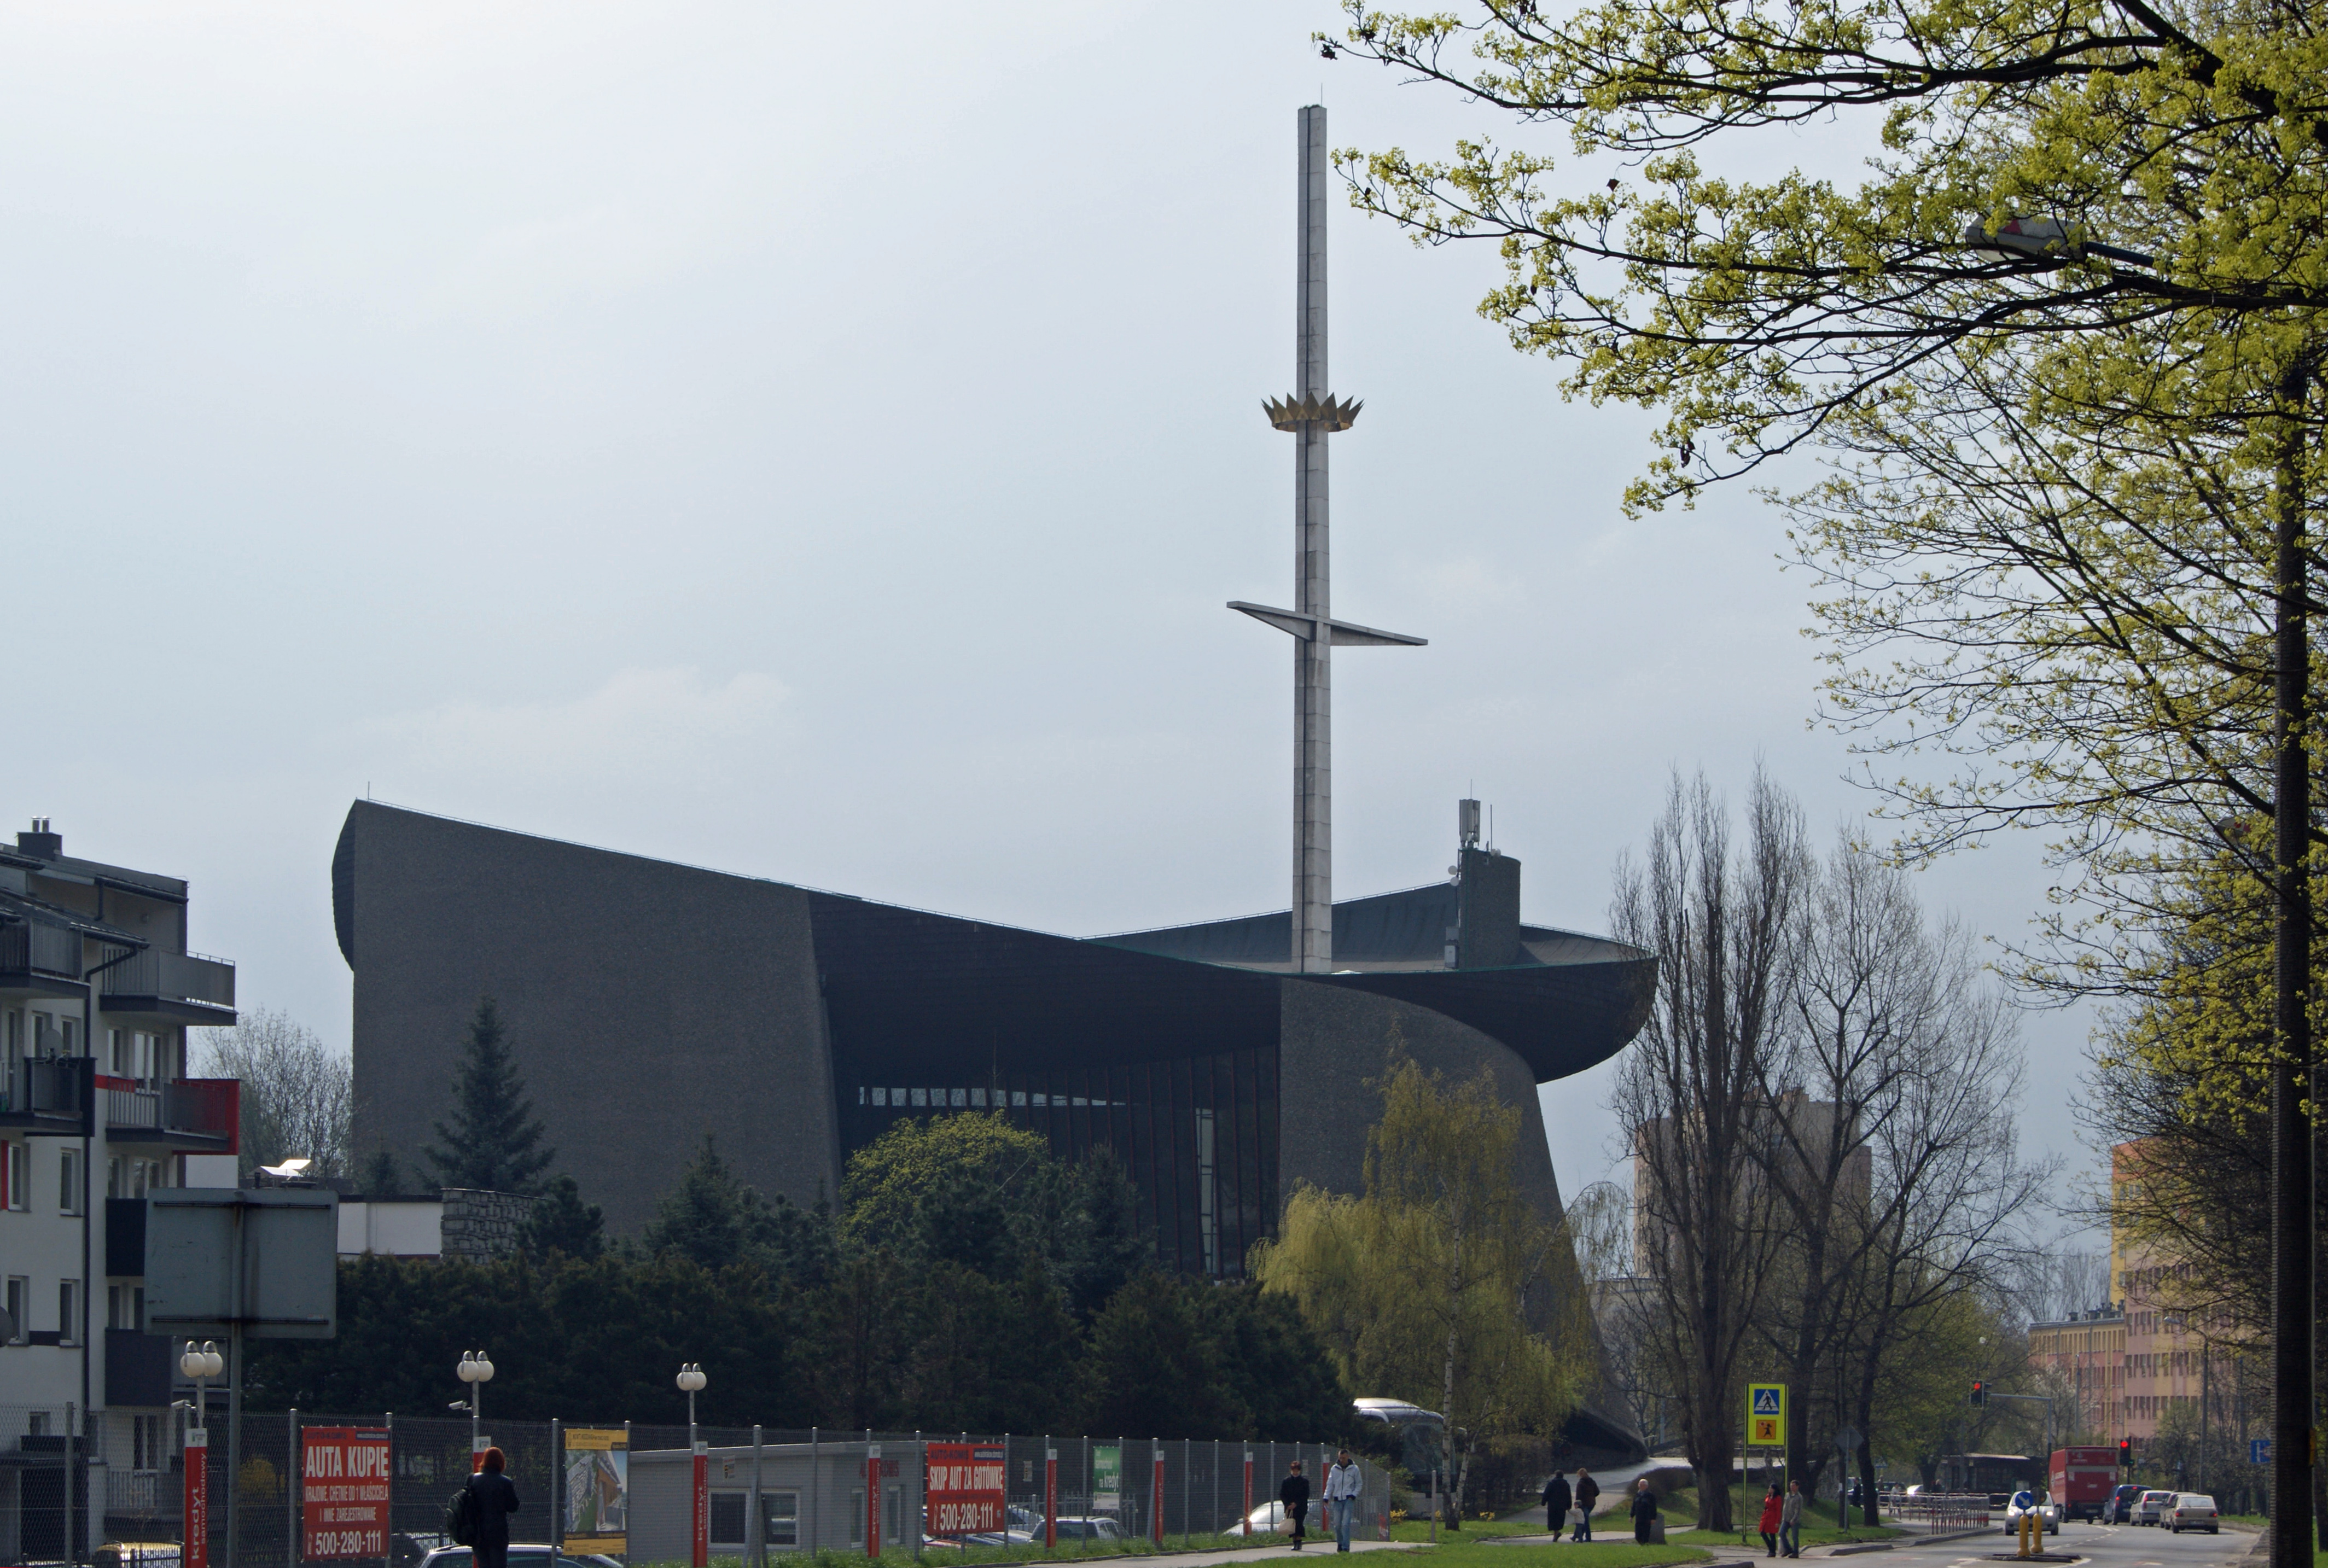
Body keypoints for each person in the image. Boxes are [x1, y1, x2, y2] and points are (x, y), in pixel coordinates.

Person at [467, 1447, 520, 1568]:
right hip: (498, 1533)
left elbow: (466, 1503)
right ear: (501, 1462)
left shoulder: (473, 1479)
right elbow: (513, 1507)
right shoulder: (505, 1482)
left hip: (478, 1533)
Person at [1324, 1449, 1362, 1553]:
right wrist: (1326, 1497)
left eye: (1344, 1458)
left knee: (1346, 1524)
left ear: (1348, 1457)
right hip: (1337, 1500)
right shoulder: (1334, 1469)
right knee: (1337, 1525)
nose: (1342, 1460)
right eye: (1340, 1458)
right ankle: (1340, 1543)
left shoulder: (1354, 1469)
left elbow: (1359, 1484)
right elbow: (1330, 1484)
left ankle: (1346, 1547)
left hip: (1348, 1499)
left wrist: (1353, 1495)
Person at [1280, 1458, 1312, 1551]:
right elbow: (1282, 1494)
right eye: (1294, 1470)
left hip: (1301, 1507)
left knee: (1299, 1524)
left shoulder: (1304, 1481)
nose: (1295, 1472)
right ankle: (1295, 1543)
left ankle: (1299, 1542)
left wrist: (1296, 1503)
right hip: (1289, 1507)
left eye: (1297, 1470)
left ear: (1300, 1470)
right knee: (1291, 1525)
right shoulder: (1286, 1481)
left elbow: (1306, 1495)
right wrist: (1287, 1504)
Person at [1543, 1472, 1573, 1538]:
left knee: (1553, 1520)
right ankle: (1556, 1533)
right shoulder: (1566, 1484)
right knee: (1559, 1520)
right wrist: (1569, 1505)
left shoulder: (1551, 1484)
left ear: (1556, 1476)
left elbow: (1546, 1494)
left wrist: (1543, 1502)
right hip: (1562, 1506)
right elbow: (1569, 1496)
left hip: (1552, 1505)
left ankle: (1556, 1534)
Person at [1780, 1478, 1805, 1558]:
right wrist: (1783, 1517)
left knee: (1794, 1537)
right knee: (1781, 1533)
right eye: (1791, 1486)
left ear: (1797, 1487)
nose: (1792, 1487)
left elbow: (1798, 1510)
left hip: (1794, 1520)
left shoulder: (1799, 1497)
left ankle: (1796, 1553)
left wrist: (1794, 1519)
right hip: (1786, 1518)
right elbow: (1785, 1507)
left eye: (1793, 1486)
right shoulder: (1788, 1495)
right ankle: (1788, 1549)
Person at [1631, 1479, 1660, 1544]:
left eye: (1643, 1485)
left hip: (1647, 1517)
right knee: (1638, 1535)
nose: (1641, 1487)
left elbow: (1653, 1507)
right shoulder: (1637, 1495)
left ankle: (1645, 1544)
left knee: (1645, 1533)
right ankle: (1641, 1543)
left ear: (1647, 1486)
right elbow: (1634, 1506)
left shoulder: (1650, 1495)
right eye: (1640, 1485)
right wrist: (1632, 1516)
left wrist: (1653, 1518)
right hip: (1639, 1517)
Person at [1572, 1468, 1599, 1541]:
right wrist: (1591, 1496)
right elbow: (1597, 1492)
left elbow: (1579, 1496)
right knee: (1583, 1520)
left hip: (1584, 1504)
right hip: (1592, 1504)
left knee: (1585, 1521)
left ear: (1580, 1475)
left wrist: (1577, 1504)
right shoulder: (1592, 1482)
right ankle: (1575, 1536)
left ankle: (1588, 1538)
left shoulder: (1581, 1484)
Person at [1759, 1483, 1784, 1557]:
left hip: (1773, 1517)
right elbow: (1766, 1506)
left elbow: (1778, 1510)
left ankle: (1772, 1551)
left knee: (1772, 1534)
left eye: (1771, 1488)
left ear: (1774, 1489)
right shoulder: (1768, 1496)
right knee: (1763, 1533)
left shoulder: (1777, 1498)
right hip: (1767, 1516)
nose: (1769, 1489)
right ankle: (1771, 1548)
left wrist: (1777, 1521)